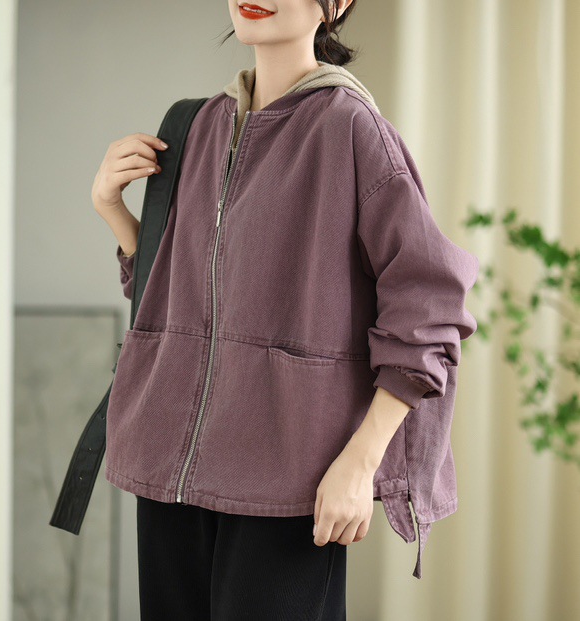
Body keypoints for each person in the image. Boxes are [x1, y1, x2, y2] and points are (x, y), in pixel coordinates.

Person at [92, 0, 480, 618]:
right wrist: (113, 209)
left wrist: (360, 461)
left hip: (291, 480)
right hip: (169, 473)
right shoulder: (195, 126)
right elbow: (169, 299)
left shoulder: (350, 129)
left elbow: (430, 303)